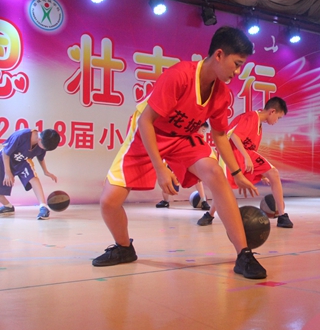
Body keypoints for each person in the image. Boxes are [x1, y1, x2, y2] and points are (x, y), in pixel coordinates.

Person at [92, 26, 267, 279]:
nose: (238, 72)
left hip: (184, 137)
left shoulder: (222, 94)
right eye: (237, 64)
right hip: (149, 133)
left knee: (215, 173)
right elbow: (146, 121)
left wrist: (237, 173)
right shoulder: (179, 75)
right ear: (219, 55)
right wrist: (160, 169)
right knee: (109, 202)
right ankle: (123, 248)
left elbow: (220, 136)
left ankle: (244, 255)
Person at [197, 97, 293, 228]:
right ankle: (209, 214)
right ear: (272, 111)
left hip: (246, 153)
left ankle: (282, 216)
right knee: (224, 187)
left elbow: (250, 150)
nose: (277, 121)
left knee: (273, 173)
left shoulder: (259, 124)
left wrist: (262, 173)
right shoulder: (251, 116)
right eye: (278, 117)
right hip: (232, 152)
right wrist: (246, 157)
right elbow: (235, 136)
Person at [0, 129, 60, 220]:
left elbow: (41, 157)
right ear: (39, 139)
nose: (44, 149)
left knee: (33, 178)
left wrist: (45, 171)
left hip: (23, 161)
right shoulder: (20, 136)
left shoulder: (43, 142)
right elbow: (5, 152)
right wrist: (7, 172)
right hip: (4, 160)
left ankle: (43, 206)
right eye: (44, 147)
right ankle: (7, 206)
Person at [156, 122, 211, 210]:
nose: (203, 133)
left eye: (204, 131)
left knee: (197, 179)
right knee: (169, 179)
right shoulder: (184, 133)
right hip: (177, 160)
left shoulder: (200, 139)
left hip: (190, 161)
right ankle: (166, 201)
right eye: (203, 130)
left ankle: (203, 201)